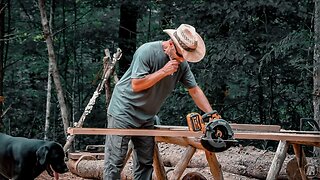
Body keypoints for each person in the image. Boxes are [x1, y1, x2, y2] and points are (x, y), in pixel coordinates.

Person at [104, 24, 215, 180]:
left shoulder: (182, 64)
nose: (181, 60)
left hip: (146, 116)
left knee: (145, 163)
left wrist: (211, 114)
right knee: (115, 162)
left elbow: (195, 90)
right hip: (124, 111)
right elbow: (136, 84)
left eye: (184, 57)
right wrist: (164, 71)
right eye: (179, 55)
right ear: (171, 44)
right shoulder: (147, 51)